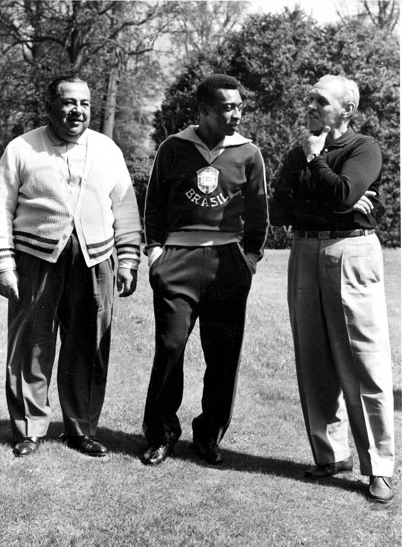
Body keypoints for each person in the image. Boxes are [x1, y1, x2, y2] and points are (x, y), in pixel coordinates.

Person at [0, 75, 142, 458]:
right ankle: (29, 427)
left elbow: (125, 208)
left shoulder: (107, 149)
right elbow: (0, 208)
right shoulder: (22, 148)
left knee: (88, 346)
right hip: (36, 258)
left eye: (85, 104)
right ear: (50, 106)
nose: (78, 111)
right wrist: (4, 265)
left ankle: (81, 428)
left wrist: (127, 259)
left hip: (95, 258)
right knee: (32, 345)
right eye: (69, 102)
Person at [270, 75, 395, 504]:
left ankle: (379, 467)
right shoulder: (298, 150)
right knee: (314, 357)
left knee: (363, 360)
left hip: (351, 253)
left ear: (347, 109)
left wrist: (319, 164)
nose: (312, 106)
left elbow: (345, 193)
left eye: (321, 101)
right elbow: (278, 208)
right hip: (304, 248)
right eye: (310, 99)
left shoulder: (363, 148)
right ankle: (332, 455)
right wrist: (334, 198)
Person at [141, 74, 268, 467]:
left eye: (240, 107)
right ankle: (162, 433)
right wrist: (155, 254)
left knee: (223, 354)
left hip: (228, 262)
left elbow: (259, 213)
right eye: (228, 107)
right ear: (204, 111)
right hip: (177, 258)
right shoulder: (174, 148)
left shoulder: (248, 153)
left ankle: (209, 435)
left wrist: (249, 259)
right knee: (171, 347)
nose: (237, 114)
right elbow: (155, 205)